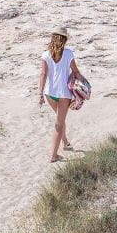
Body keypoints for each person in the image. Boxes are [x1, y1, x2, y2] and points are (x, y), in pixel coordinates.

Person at [38, 26, 84, 163]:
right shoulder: (68, 53)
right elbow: (76, 72)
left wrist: (40, 94)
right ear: (64, 40)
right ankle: (53, 156)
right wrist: (83, 85)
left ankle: (65, 143)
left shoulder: (45, 55)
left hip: (49, 93)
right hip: (64, 94)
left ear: (53, 38)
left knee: (60, 119)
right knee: (59, 123)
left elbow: (43, 74)